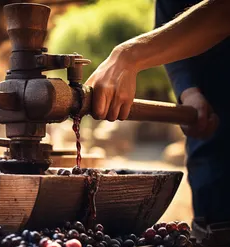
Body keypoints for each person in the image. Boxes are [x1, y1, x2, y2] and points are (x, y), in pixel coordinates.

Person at [85, 0, 230, 224]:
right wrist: (188, 91)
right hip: (207, 124)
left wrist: (128, 55)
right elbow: (168, 20)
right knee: (214, 228)